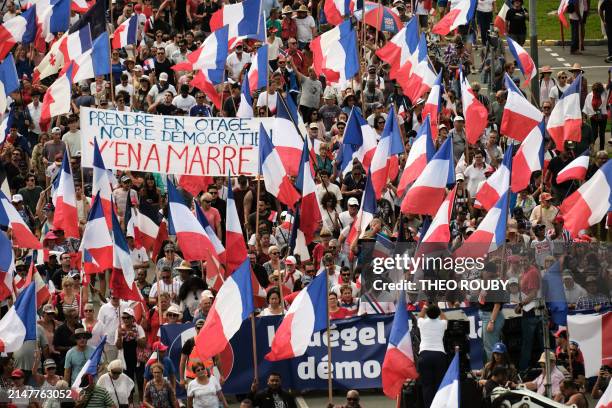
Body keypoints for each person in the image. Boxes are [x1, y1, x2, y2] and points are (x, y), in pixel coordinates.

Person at [417, 304, 448, 408]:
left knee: (427, 386)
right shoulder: (442, 323)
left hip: (424, 355)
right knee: (440, 384)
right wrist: (438, 308)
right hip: (439, 355)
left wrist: (425, 306)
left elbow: (420, 316)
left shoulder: (422, 322)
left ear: (428, 313)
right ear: (438, 313)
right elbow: (444, 317)